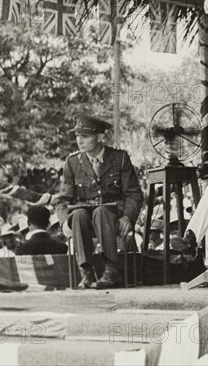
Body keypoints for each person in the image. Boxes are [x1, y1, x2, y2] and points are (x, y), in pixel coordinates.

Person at [55, 114, 143, 289]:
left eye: (85, 136)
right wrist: (64, 221)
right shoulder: (72, 162)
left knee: (101, 211)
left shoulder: (120, 158)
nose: (79, 140)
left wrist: (128, 217)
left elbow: (134, 194)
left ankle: (111, 271)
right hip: (86, 214)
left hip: (112, 212)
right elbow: (63, 199)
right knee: (78, 215)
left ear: (100, 137)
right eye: (77, 136)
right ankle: (86, 272)